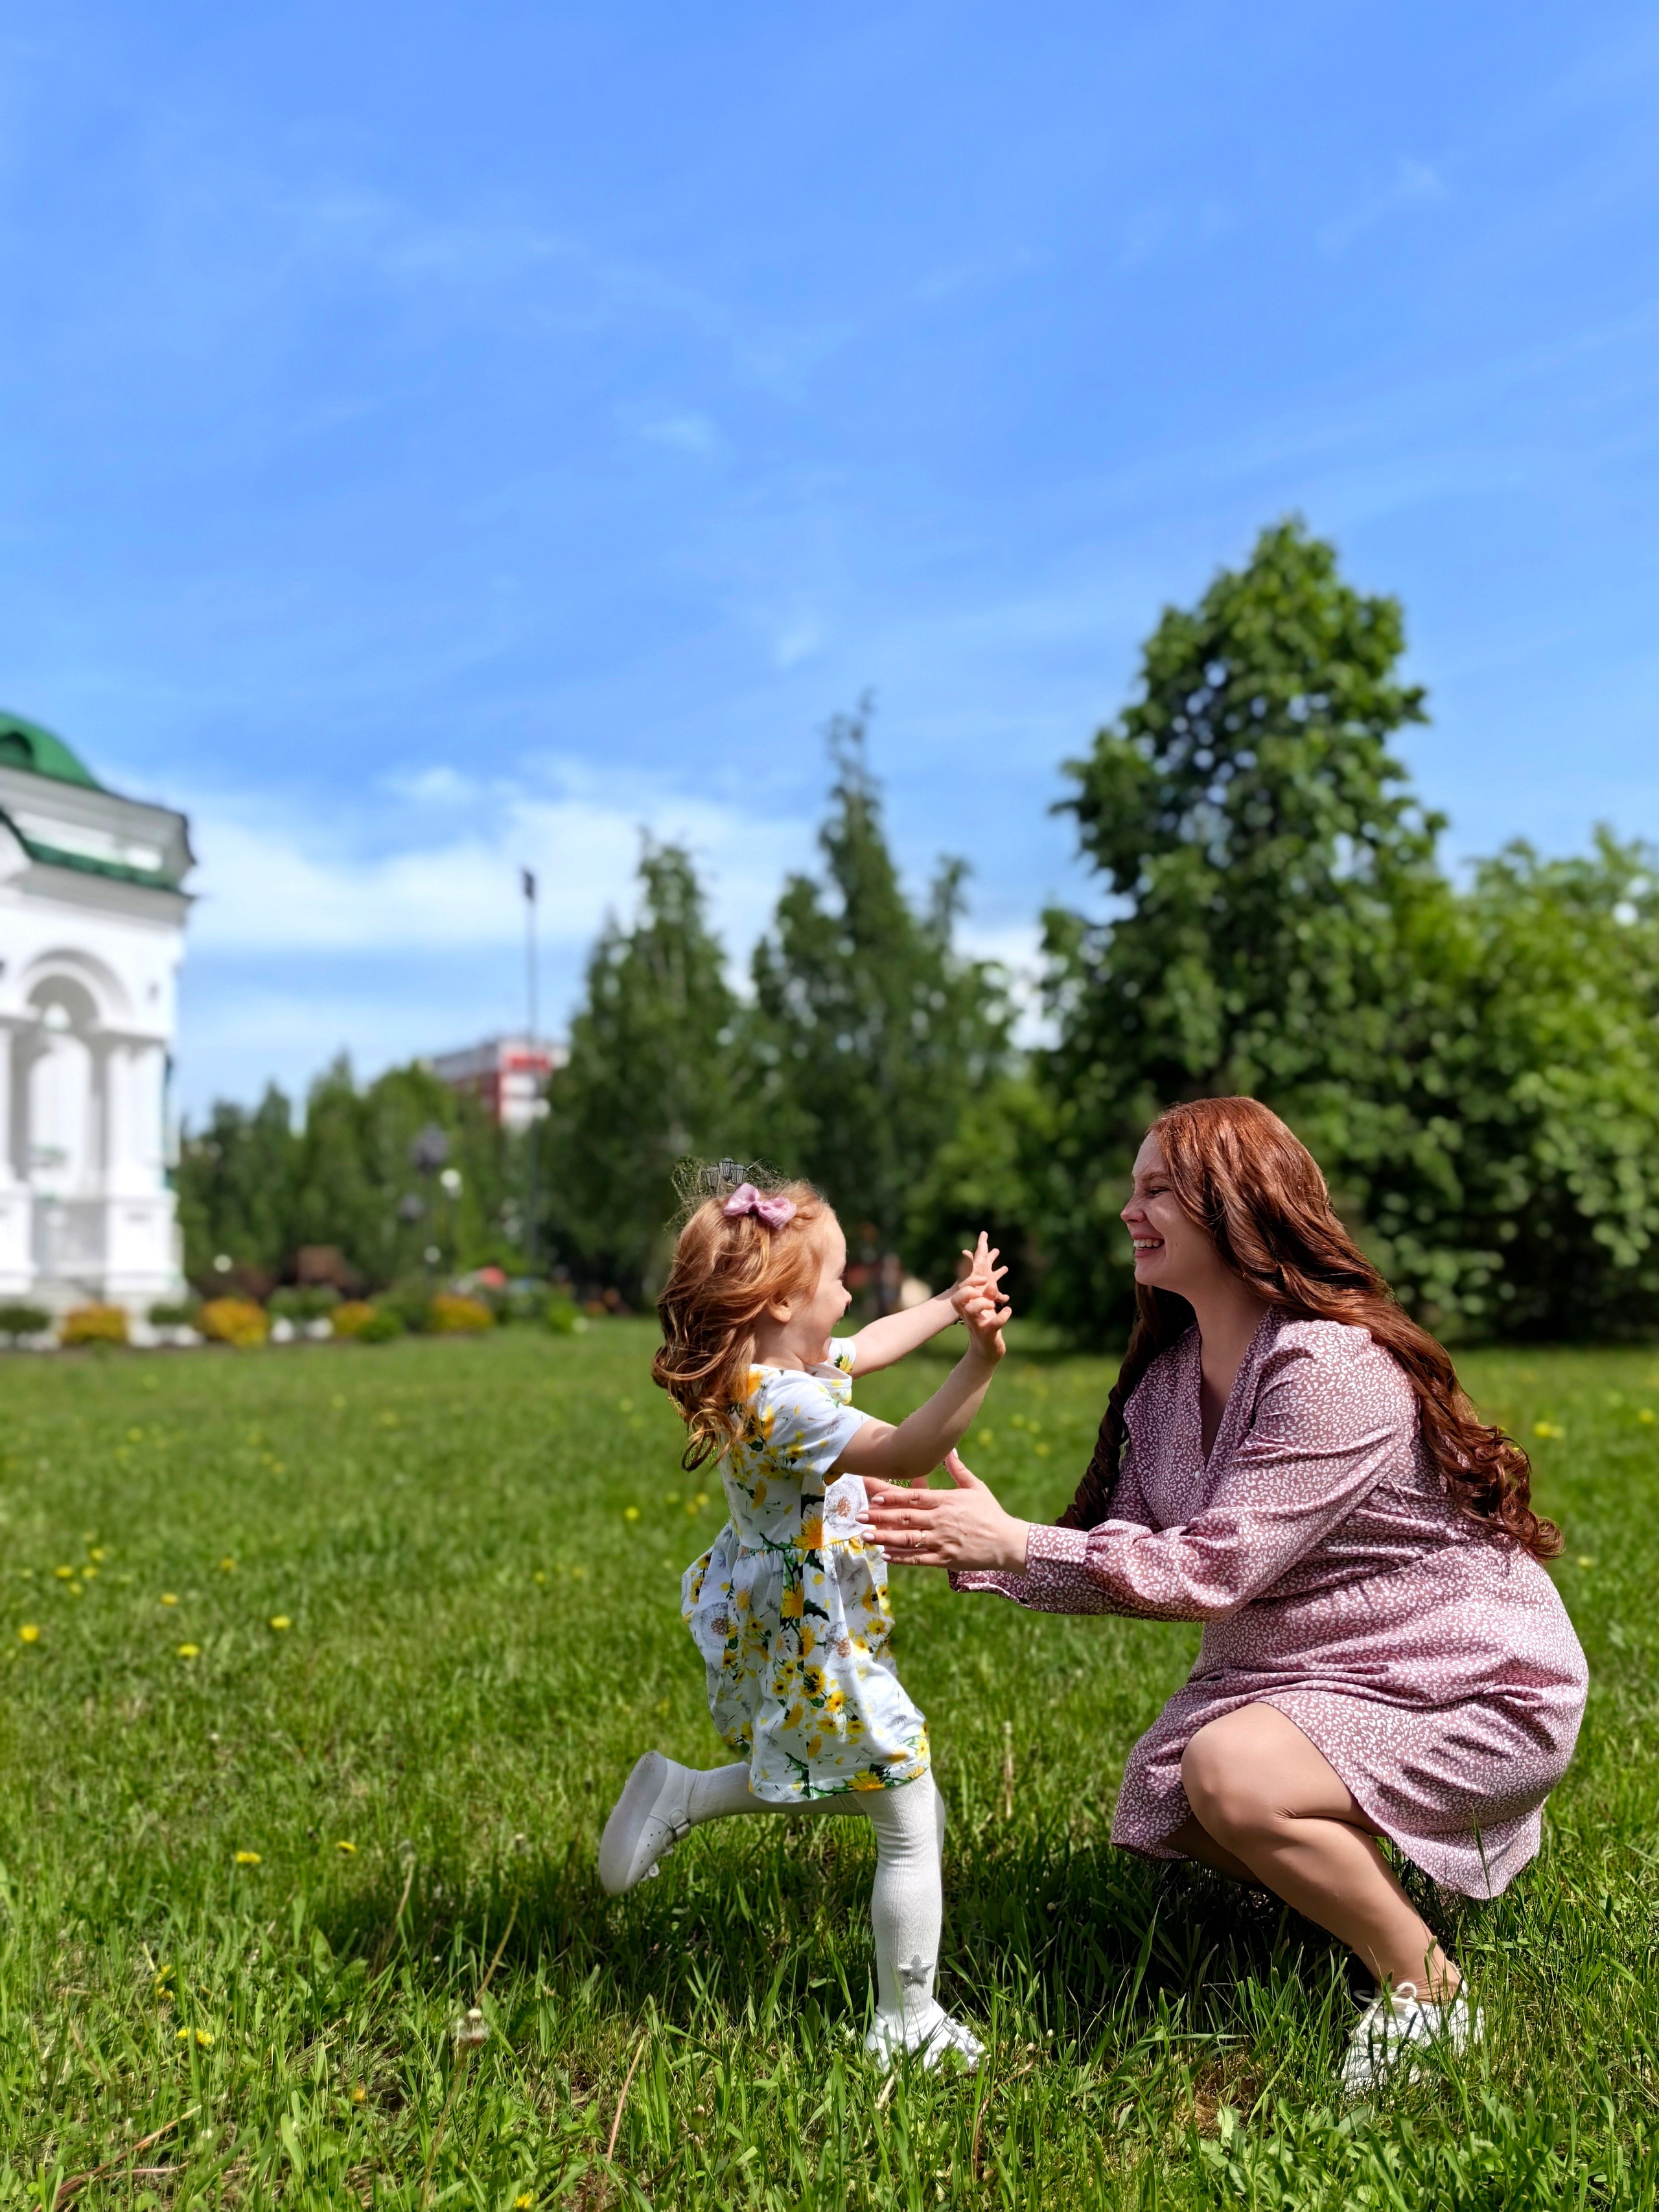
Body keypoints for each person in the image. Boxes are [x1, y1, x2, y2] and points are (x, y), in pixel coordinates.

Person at [859, 1098, 1588, 2095]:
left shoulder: (1329, 1366)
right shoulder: (1167, 1386)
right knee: (1171, 1796)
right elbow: (1132, 1551)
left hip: (1469, 1681)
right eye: (1133, 1188)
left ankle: (1427, 1987)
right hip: (1325, 1674)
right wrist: (979, 1540)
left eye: (1157, 1188)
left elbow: (1211, 1569)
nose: (1129, 1210)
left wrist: (1014, 1542)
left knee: (1228, 1773)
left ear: (1237, 1205)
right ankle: (1374, 1900)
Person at [598, 1164, 1012, 2069]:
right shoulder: (784, 1405)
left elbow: (871, 1342)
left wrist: (951, 1306)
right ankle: (906, 2022)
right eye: (838, 1278)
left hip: (798, 1625)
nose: (850, 1293)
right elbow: (906, 1446)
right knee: (907, 1807)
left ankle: (684, 1796)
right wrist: (980, 1360)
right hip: (817, 1637)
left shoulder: (775, 1373)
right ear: (784, 1301)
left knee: (839, 1772)